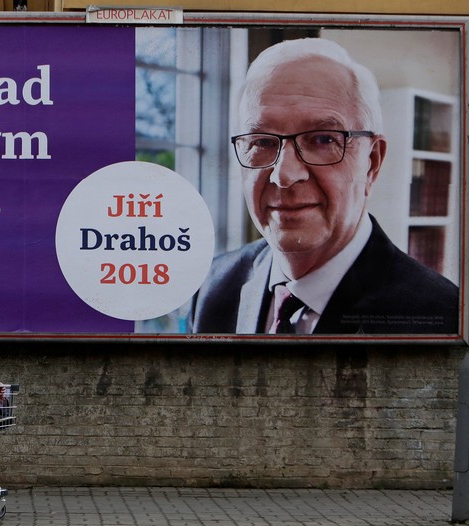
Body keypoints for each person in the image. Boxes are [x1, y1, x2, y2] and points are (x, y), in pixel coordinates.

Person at [189, 38, 459, 335]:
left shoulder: (443, 316)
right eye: (262, 142)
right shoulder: (213, 285)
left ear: (371, 162)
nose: (284, 175)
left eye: (322, 139)